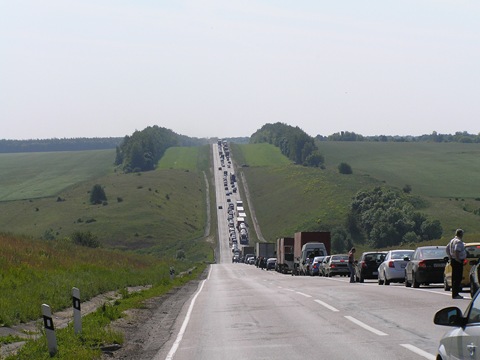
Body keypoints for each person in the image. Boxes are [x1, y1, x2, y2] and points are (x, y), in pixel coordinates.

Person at [446, 229, 466, 299]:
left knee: (454, 277)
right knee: (458, 278)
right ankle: (455, 294)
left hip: (453, 260)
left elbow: (447, 248)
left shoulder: (452, 240)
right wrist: (457, 259)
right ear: (461, 234)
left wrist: (450, 257)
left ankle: (454, 293)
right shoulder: (458, 242)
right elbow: (456, 250)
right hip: (457, 261)